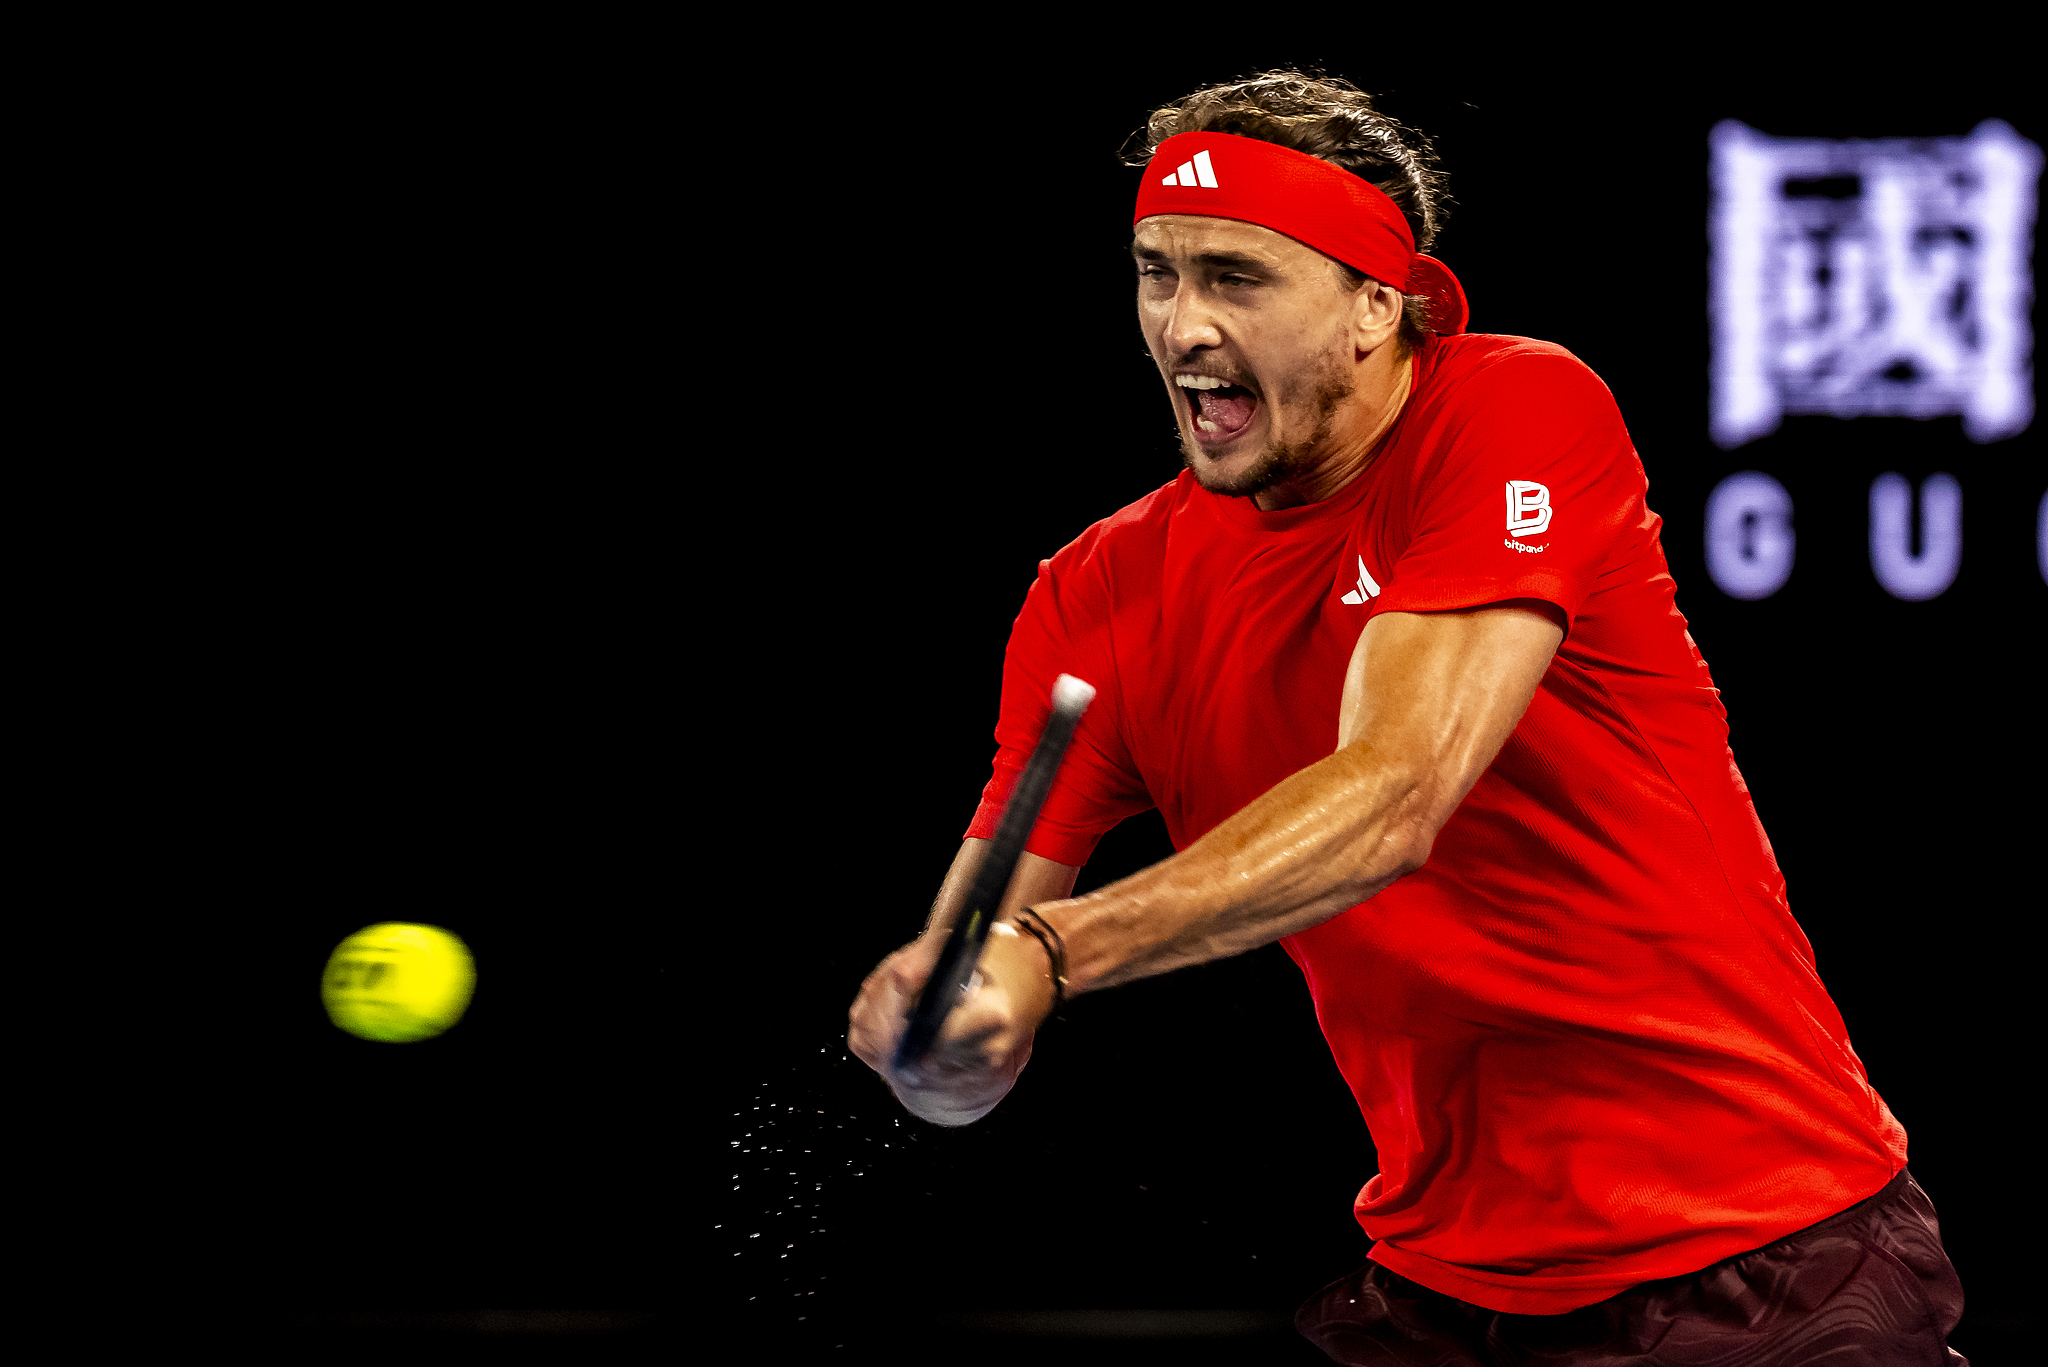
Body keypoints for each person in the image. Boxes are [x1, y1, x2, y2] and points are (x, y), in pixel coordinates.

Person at [846, 72, 1966, 1364]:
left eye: (1237, 278)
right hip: (1449, 1284)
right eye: (1158, 272)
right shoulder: (1097, 592)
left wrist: (1046, 952)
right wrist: (945, 1041)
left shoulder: (1514, 410)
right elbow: (979, 972)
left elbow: (1395, 792)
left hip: (1760, 1258)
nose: (1182, 326)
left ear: (1379, 305)